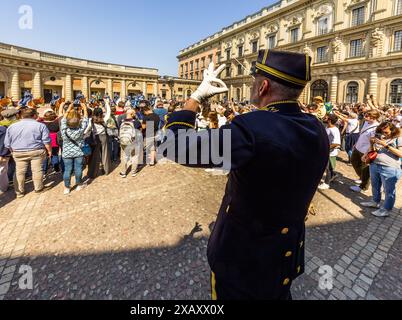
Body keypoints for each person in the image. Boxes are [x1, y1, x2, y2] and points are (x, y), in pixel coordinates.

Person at [164, 50, 329, 300]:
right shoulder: (316, 127)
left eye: (255, 81)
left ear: (263, 86)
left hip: (243, 263)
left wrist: (196, 97)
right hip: (284, 256)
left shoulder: (252, 128)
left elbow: (173, 145)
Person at [4, 108, 52, 198]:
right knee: (37, 170)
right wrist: (49, 151)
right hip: (36, 151)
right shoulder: (40, 125)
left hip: (18, 152)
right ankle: (38, 188)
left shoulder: (12, 126)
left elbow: (7, 143)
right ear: (34, 115)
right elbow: (46, 141)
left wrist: (13, 151)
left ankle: (19, 192)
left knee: (19, 172)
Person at [360, 122, 402, 217]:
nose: (383, 134)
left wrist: (386, 145)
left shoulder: (398, 139)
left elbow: (401, 154)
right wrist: (369, 148)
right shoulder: (379, 137)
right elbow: (373, 150)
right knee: (375, 185)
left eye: (386, 132)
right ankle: (375, 202)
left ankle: (386, 209)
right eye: (381, 131)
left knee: (388, 190)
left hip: (390, 168)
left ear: (393, 130)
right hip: (375, 164)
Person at [59, 102, 89, 195]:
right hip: (78, 152)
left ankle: (67, 187)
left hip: (67, 153)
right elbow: (85, 120)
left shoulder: (64, 129)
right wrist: (84, 109)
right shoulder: (80, 129)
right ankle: (79, 184)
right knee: (78, 169)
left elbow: (63, 119)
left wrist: (68, 109)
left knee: (67, 170)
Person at [350, 110, 380, 193]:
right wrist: (356, 143)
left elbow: (373, 143)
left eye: (367, 116)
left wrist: (366, 153)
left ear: (373, 118)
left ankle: (363, 187)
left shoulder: (376, 128)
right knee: (354, 161)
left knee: (365, 169)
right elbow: (362, 134)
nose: (365, 117)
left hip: (366, 150)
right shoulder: (366, 122)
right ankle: (362, 178)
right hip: (358, 147)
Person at [87, 106, 112, 179]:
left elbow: (87, 129)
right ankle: (106, 170)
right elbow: (108, 112)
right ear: (101, 113)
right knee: (105, 153)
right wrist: (106, 103)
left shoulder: (91, 120)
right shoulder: (104, 119)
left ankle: (93, 173)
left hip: (95, 137)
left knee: (94, 156)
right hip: (103, 137)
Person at [318, 113, 341, 190]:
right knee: (327, 167)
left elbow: (336, 143)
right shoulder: (327, 127)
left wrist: (326, 147)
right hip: (325, 151)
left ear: (329, 120)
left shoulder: (335, 130)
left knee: (327, 168)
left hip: (331, 153)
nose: (324, 118)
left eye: (326, 117)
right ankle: (334, 175)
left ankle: (326, 183)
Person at [119, 109, 142, 178]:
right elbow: (139, 132)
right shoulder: (136, 122)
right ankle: (133, 172)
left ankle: (123, 172)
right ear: (132, 114)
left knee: (124, 157)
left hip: (124, 141)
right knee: (134, 156)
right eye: (134, 113)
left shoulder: (122, 122)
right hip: (133, 142)